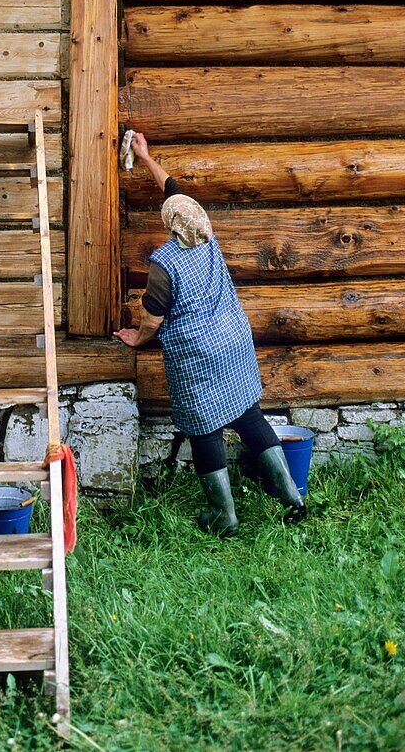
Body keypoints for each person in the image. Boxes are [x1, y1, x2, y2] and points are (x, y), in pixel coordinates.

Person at [114, 133, 305, 536]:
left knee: (205, 429)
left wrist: (138, 337)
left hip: (197, 354)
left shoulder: (166, 261)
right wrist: (145, 159)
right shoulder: (206, 233)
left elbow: (153, 317)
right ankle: (292, 498)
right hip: (232, 341)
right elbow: (175, 190)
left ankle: (224, 515)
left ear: (170, 224)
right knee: (249, 416)